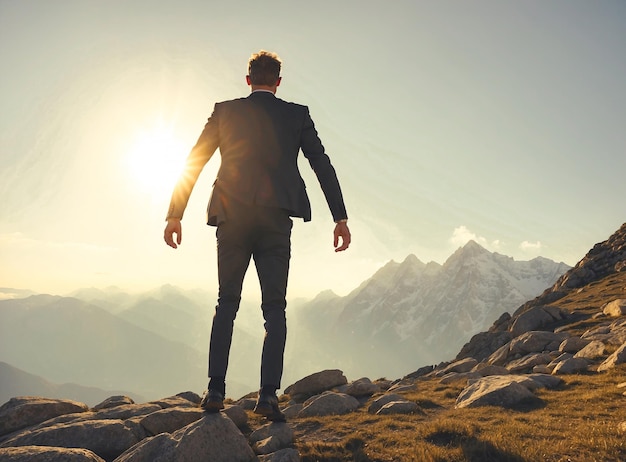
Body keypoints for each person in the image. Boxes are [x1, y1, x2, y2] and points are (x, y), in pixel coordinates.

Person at [163, 50, 351, 421]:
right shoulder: (297, 115)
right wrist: (339, 217)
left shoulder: (225, 111)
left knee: (226, 303)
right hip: (276, 221)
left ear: (247, 79)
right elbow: (321, 163)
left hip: (232, 215)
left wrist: (175, 213)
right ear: (278, 82)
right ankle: (268, 396)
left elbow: (194, 160)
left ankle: (215, 389)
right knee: (274, 309)